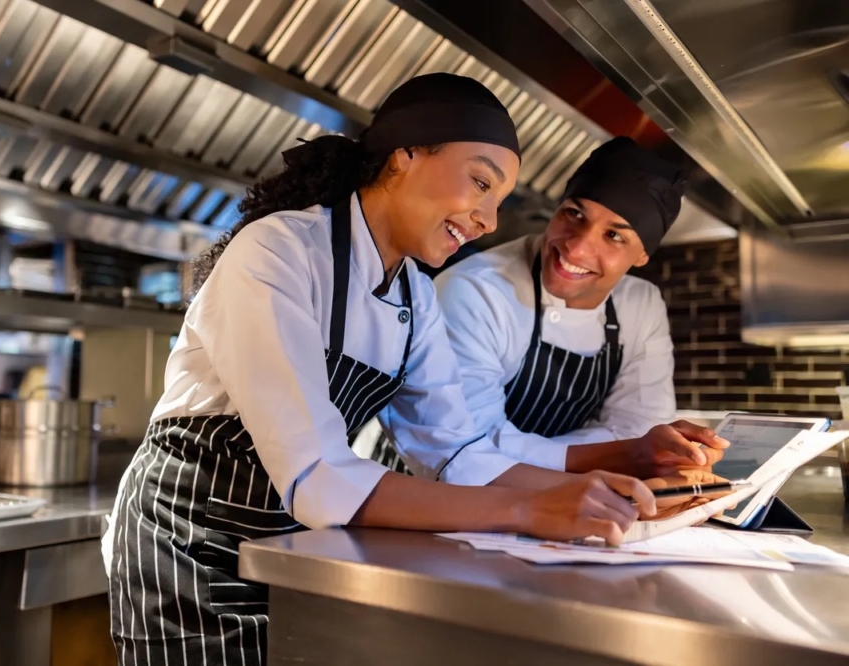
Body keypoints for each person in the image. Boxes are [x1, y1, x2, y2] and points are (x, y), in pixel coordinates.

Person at [104, 76, 670, 666]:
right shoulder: (277, 251)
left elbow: (458, 452)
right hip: (187, 541)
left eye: (498, 201)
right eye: (480, 183)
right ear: (405, 155)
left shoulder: (413, 297)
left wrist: (599, 488)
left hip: (290, 542)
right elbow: (318, 472)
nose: (488, 220)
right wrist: (532, 510)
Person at [433, 137, 729, 480]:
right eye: (574, 214)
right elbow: (470, 446)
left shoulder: (640, 306)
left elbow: (640, 427)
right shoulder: (478, 290)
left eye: (615, 236)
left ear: (642, 255)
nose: (576, 249)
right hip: (428, 498)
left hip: (555, 498)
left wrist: (628, 452)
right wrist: (622, 454)